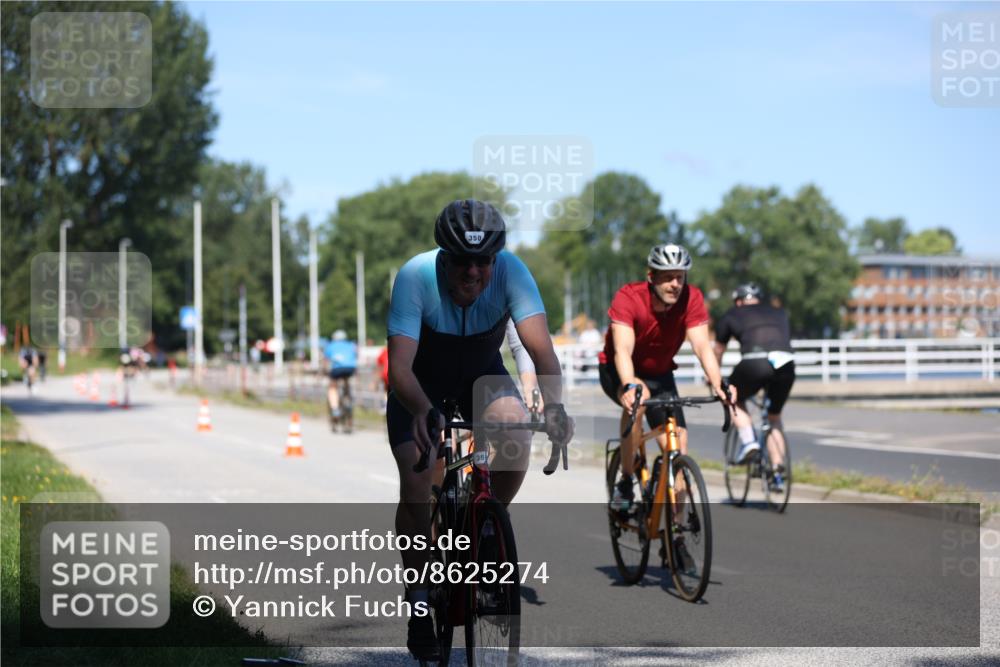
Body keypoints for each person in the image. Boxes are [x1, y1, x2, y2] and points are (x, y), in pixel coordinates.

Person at [386, 199, 573, 659]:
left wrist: (554, 407)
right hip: (420, 383)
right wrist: (425, 409)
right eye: (463, 262)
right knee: (416, 482)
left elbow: (543, 354)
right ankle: (420, 596)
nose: (473, 273)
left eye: (483, 262)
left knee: (515, 433)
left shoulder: (512, 273)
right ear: (444, 258)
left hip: (480, 373)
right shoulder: (415, 276)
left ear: (496, 260)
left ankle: (485, 533)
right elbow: (400, 369)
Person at [599, 243, 734, 512]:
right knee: (638, 402)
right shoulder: (629, 297)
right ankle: (626, 481)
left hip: (661, 374)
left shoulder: (692, 298)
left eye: (680, 277)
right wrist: (629, 385)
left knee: (679, 447)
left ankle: (677, 535)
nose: (675, 284)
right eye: (667, 277)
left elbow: (702, 346)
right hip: (620, 369)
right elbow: (622, 350)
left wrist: (719, 383)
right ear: (651, 276)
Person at [713, 283, 795, 491]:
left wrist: (713, 377)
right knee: (774, 417)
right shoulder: (779, 312)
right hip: (786, 364)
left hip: (754, 363)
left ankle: (749, 442)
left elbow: (718, 350)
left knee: (733, 395)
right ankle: (777, 473)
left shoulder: (733, 313)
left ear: (738, 301)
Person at [324, 330, 357, 427]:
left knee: (332, 387)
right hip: (350, 368)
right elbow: (354, 357)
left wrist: (324, 372)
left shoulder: (330, 346)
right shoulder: (351, 345)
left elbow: (326, 361)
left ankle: (335, 410)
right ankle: (347, 399)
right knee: (346, 380)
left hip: (337, 369)